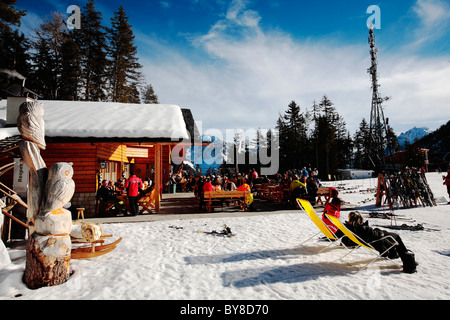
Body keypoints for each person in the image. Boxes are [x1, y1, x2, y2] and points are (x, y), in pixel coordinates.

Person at [345, 211, 417, 273]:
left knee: (390, 238)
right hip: (375, 241)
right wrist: (380, 232)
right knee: (396, 237)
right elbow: (377, 235)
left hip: (368, 241)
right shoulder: (363, 229)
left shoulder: (349, 227)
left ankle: (393, 254)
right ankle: (407, 261)